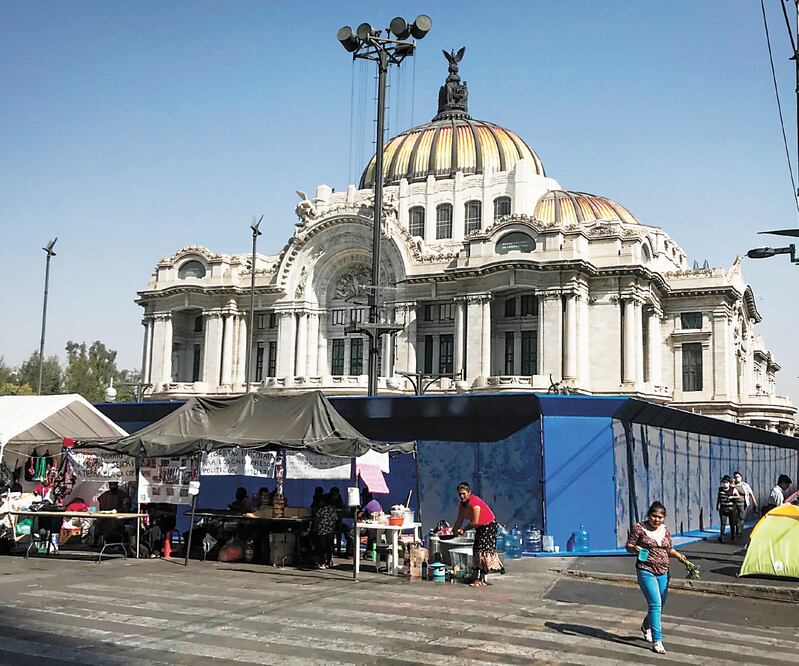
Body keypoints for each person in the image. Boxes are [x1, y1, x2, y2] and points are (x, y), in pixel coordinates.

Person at [625, 501, 688, 655]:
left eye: (660, 517)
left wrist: (680, 556)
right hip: (646, 570)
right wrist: (635, 548)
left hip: (664, 571)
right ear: (649, 515)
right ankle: (657, 641)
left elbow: (669, 549)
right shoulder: (639, 528)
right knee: (655, 604)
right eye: (654, 516)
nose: (657, 520)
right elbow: (628, 546)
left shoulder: (664, 530)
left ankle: (646, 626)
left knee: (661, 603)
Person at [453, 482, 505, 587]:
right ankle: (475, 576)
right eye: (460, 494)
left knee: (483, 552)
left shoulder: (474, 503)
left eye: (464, 493)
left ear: (469, 492)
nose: (462, 496)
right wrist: (453, 531)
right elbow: (459, 519)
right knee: (476, 550)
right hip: (480, 527)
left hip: (489, 526)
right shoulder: (462, 505)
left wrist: (463, 530)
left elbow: (475, 521)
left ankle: (481, 579)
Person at [312, 493, 338, 568]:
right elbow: (335, 519)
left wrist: (315, 529)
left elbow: (317, 520)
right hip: (330, 531)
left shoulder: (321, 510)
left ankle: (322, 562)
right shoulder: (332, 509)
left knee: (322, 548)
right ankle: (329, 561)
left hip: (322, 531)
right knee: (329, 547)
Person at [716, 475, 735, 543]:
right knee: (723, 523)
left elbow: (738, 496)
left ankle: (733, 535)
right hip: (723, 508)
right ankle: (722, 537)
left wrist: (732, 497)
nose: (724, 484)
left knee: (731, 523)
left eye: (726, 482)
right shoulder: (720, 489)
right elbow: (719, 497)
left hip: (731, 509)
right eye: (723, 482)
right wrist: (717, 505)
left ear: (729, 483)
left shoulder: (733, 489)